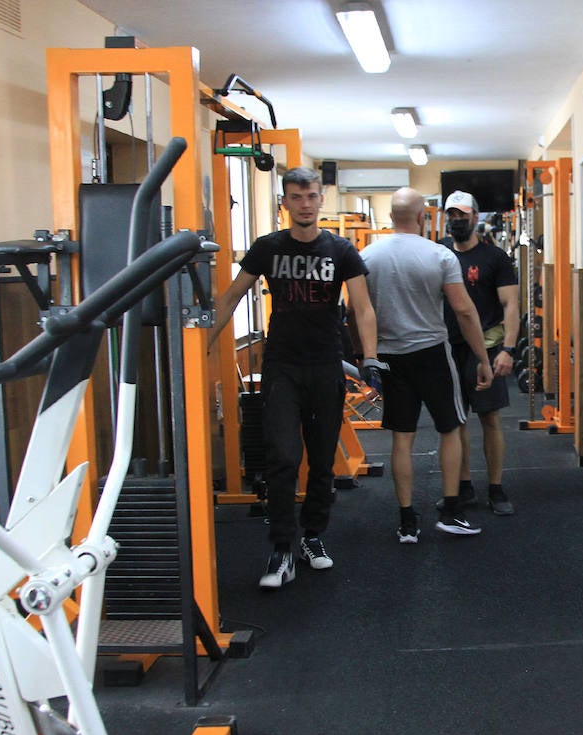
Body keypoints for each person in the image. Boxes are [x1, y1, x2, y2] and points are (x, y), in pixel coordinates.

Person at [211, 166, 377, 590]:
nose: (305, 204)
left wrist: (371, 357)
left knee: (321, 460)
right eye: (296, 197)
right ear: (284, 203)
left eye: (311, 197)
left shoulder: (342, 250)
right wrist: (199, 346)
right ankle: (282, 546)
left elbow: (362, 308)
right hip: (282, 365)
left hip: (325, 365)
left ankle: (314, 536)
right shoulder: (267, 248)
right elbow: (231, 297)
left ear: (321, 200)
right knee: (283, 457)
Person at [361, 187, 493, 542]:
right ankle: (451, 511)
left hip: (390, 357)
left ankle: (407, 522)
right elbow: (464, 311)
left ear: (390, 217)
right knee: (450, 429)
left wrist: (369, 356)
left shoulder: (368, 256)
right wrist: (483, 358)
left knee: (402, 439)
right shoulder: (440, 255)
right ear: (423, 217)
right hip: (432, 353)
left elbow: (359, 312)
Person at [438, 190, 520, 516]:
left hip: (485, 347)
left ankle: (497, 489)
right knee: (456, 421)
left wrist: (509, 349)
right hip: (447, 348)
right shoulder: (439, 253)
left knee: (489, 418)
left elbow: (511, 305)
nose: (457, 220)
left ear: (475, 216)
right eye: (452, 215)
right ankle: (464, 487)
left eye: (463, 214)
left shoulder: (495, 258)